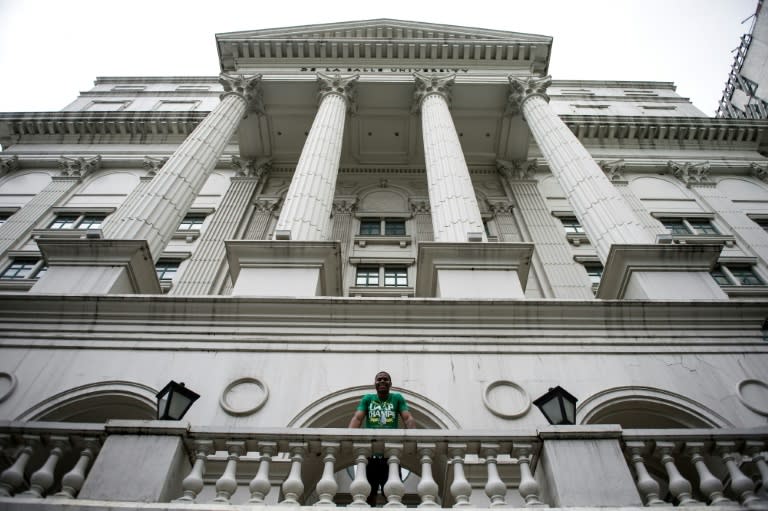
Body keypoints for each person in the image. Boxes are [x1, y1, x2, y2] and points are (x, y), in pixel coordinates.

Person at [348, 371, 415, 506]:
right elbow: (357, 418)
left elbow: (407, 418)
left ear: (390, 383)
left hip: (390, 456)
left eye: (385, 379)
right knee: (368, 494)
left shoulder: (397, 398)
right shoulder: (368, 399)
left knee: (392, 493)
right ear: (375, 384)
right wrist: (348, 438)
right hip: (370, 456)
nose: (382, 381)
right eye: (379, 379)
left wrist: (414, 439)